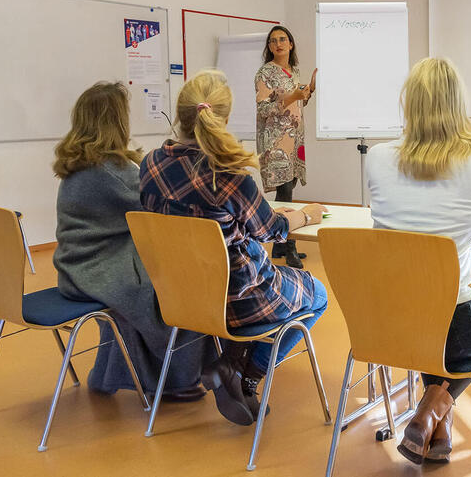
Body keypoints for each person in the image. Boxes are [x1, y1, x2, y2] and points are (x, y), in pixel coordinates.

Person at [140, 69, 329, 426]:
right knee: (316, 295)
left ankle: (232, 361)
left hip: (181, 297)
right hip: (239, 300)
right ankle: (247, 375)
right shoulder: (228, 174)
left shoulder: (150, 164)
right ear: (223, 119)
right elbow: (271, 230)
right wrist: (305, 215)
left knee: (254, 281)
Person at [365, 58, 471, 465]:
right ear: (458, 105)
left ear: (410, 104)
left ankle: (433, 421)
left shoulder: (375, 157)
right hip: (454, 323)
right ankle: (433, 410)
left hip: (386, 321)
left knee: (431, 334)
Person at [52, 81, 214, 401]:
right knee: (181, 284)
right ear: (117, 122)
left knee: (157, 276)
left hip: (74, 267)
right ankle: (175, 379)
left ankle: (116, 372)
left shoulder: (80, 162)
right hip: (98, 270)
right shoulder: (111, 170)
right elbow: (159, 205)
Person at [254, 25, 317, 269]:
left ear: (291, 44)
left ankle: (279, 244)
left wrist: (306, 94)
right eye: (272, 41)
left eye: (282, 39)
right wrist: (293, 97)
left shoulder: (294, 71)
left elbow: (295, 107)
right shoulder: (265, 73)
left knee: (289, 186)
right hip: (276, 141)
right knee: (285, 195)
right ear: (269, 47)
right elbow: (264, 110)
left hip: (295, 140)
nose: (278, 44)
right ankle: (289, 246)